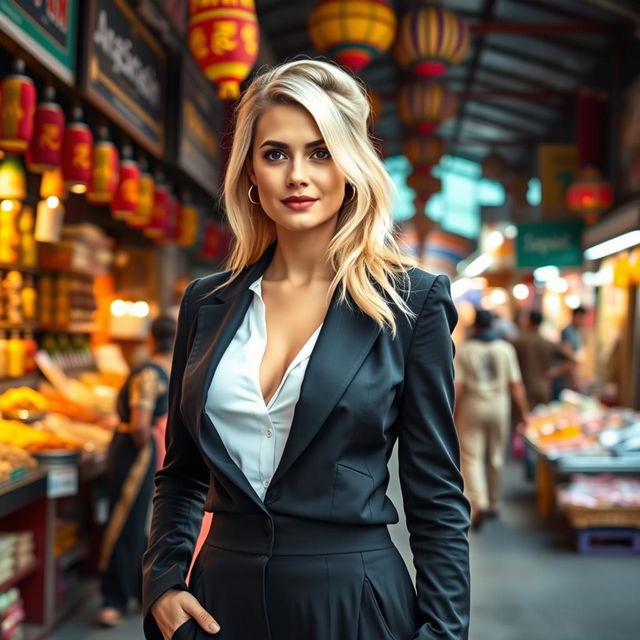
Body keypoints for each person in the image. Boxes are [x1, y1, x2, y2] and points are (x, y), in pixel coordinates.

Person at [142, 60, 470, 640]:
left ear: (351, 166)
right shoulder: (206, 302)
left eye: (320, 152)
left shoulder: (412, 302)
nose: (298, 175)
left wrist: (444, 633)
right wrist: (164, 583)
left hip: (352, 602)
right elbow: (182, 472)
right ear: (249, 171)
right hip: (219, 604)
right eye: (275, 154)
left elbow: (436, 495)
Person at [97, 316, 177, 627]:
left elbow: (140, 426)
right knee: (137, 520)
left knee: (126, 521)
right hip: (146, 452)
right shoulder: (171, 369)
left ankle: (116, 597)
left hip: (138, 453)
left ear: (151, 339)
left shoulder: (148, 370)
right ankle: (123, 594)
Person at [454, 309, 528, 530]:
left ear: (475, 327)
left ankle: (479, 501)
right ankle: (495, 503)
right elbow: (515, 384)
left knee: (471, 456)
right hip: (499, 406)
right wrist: (524, 414)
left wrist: (450, 411)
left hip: (472, 406)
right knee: (495, 456)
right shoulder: (505, 349)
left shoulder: (465, 350)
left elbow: (458, 386)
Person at [513, 310, 574, 409]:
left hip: (524, 389)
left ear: (528, 321)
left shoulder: (518, 342)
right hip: (543, 388)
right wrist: (555, 372)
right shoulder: (547, 342)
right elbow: (571, 360)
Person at [553, 306, 588, 398]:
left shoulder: (578, 332)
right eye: (582, 318)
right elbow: (568, 354)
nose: (583, 321)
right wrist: (576, 360)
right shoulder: (567, 331)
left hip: (571, 372)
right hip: (564, 375)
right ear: (576, 316)